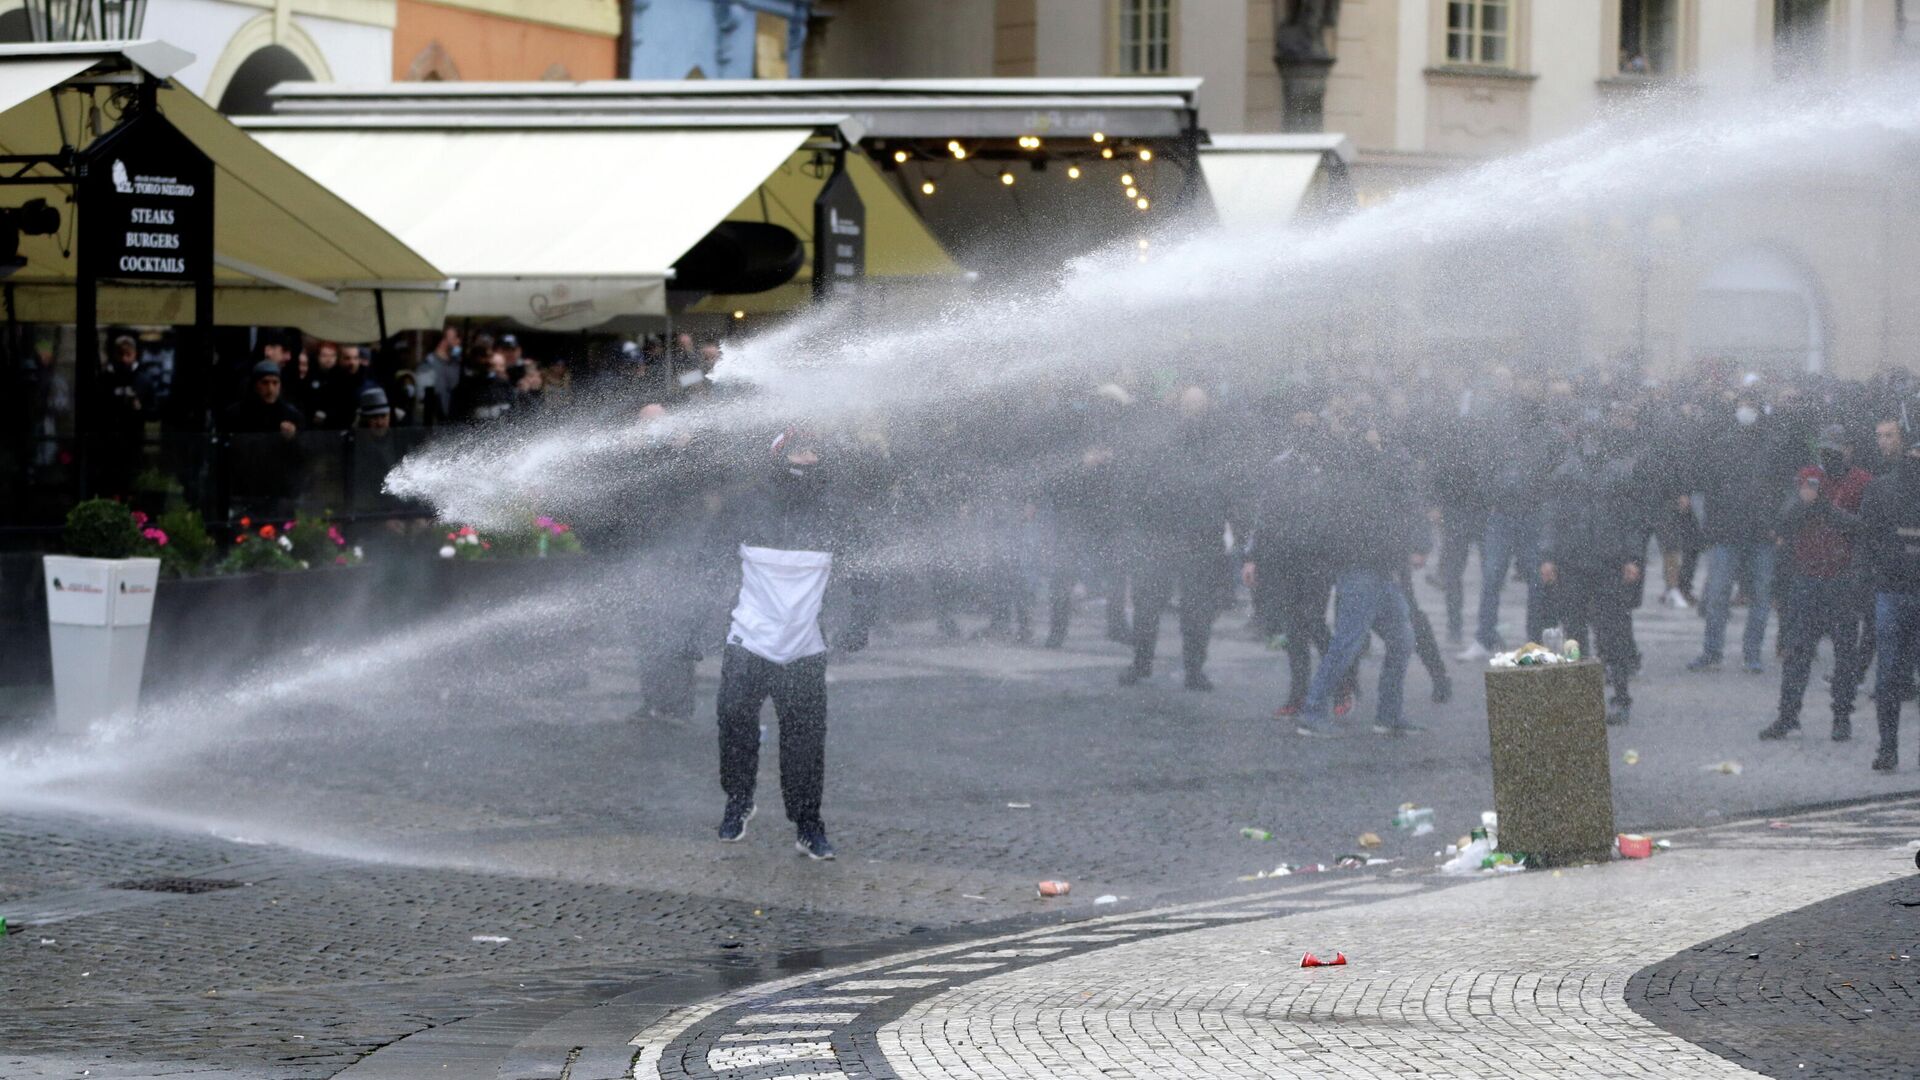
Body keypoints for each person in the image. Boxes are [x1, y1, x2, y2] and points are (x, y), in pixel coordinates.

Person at [708, 427, 874, 860]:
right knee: (732, 720)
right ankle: (738, 799)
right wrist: (708, 621)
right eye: (799, 452)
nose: (807, 459)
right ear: (778, 455)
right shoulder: (746, 505)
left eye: (815, 451)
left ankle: (808, 824)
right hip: (748, 640)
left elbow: (864, 570)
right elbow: (711, 561)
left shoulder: (838, 512)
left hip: (804, 648)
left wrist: (860, 621)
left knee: (805, 743)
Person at [1294, 410, 1427, 738]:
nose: (1379, 437)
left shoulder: (1368, 468)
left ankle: (1388, 714)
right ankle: (1312, 710)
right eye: (1373, 432)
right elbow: (1382, 514)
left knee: (1400, 639)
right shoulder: (1361, 471)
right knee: (1348, 642)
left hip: (1379, 570)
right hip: (1363, 569)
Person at [1759, 424, 1872, 742]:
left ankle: (1841, 717)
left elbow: (1863, 527)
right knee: (1798, 651)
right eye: (1826, 451)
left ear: (1849, 449)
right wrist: (1803, 501)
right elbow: (1783, 521)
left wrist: (1823, 507)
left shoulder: (1862, 481)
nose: (1830, 457)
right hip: (1807, 576)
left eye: (1836, 450)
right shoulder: (1808, 475)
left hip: (1843, 578)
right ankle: (1787, 715)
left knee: (1844, 653)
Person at [1119, 387, 1232, 691]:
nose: (1193, 409)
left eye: (1198, 404)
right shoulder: (1166, 441)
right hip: (1163, 535)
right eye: (1189, 403)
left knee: (1196, 610)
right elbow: (1139, 482)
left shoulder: (1215, 442)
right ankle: (1144, 663)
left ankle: (1192, 668)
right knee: (1150, 605)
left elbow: (1229, 489)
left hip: (1197, 538)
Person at [1538, 417, 1650, 726]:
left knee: (1610, 633)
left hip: (1606, 562)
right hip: (1577, 562)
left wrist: (1632, 558)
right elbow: (1551, 517)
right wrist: (1547, 555)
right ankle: (1582, 695)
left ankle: (1619, 696)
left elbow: (1631, 520)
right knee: (1575, 632)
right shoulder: (1567, 474)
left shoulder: (1616, 475)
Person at [1687, 393, 1798, 674]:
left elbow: (1785, 490)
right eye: (1741, 406)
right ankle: (1712, 651)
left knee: (1760, 597)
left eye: (1749, 406)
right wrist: (1710, 528)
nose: (1744, 411)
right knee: (1717, 596)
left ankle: (1752, 654)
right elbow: (1710, 489)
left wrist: (1778, 525)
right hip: (1727, 532)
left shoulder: (1773, 447)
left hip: (1762, 534)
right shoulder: (1723, 445)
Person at [1857, 433, 1920, 772]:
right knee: (1889, 675)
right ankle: (1888, 746)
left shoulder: (1881, 487)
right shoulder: (1881, 489)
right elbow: (1868, 538)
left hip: (1894, 589)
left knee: (1891, 674)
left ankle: (1888, 748)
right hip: (1891, 590)